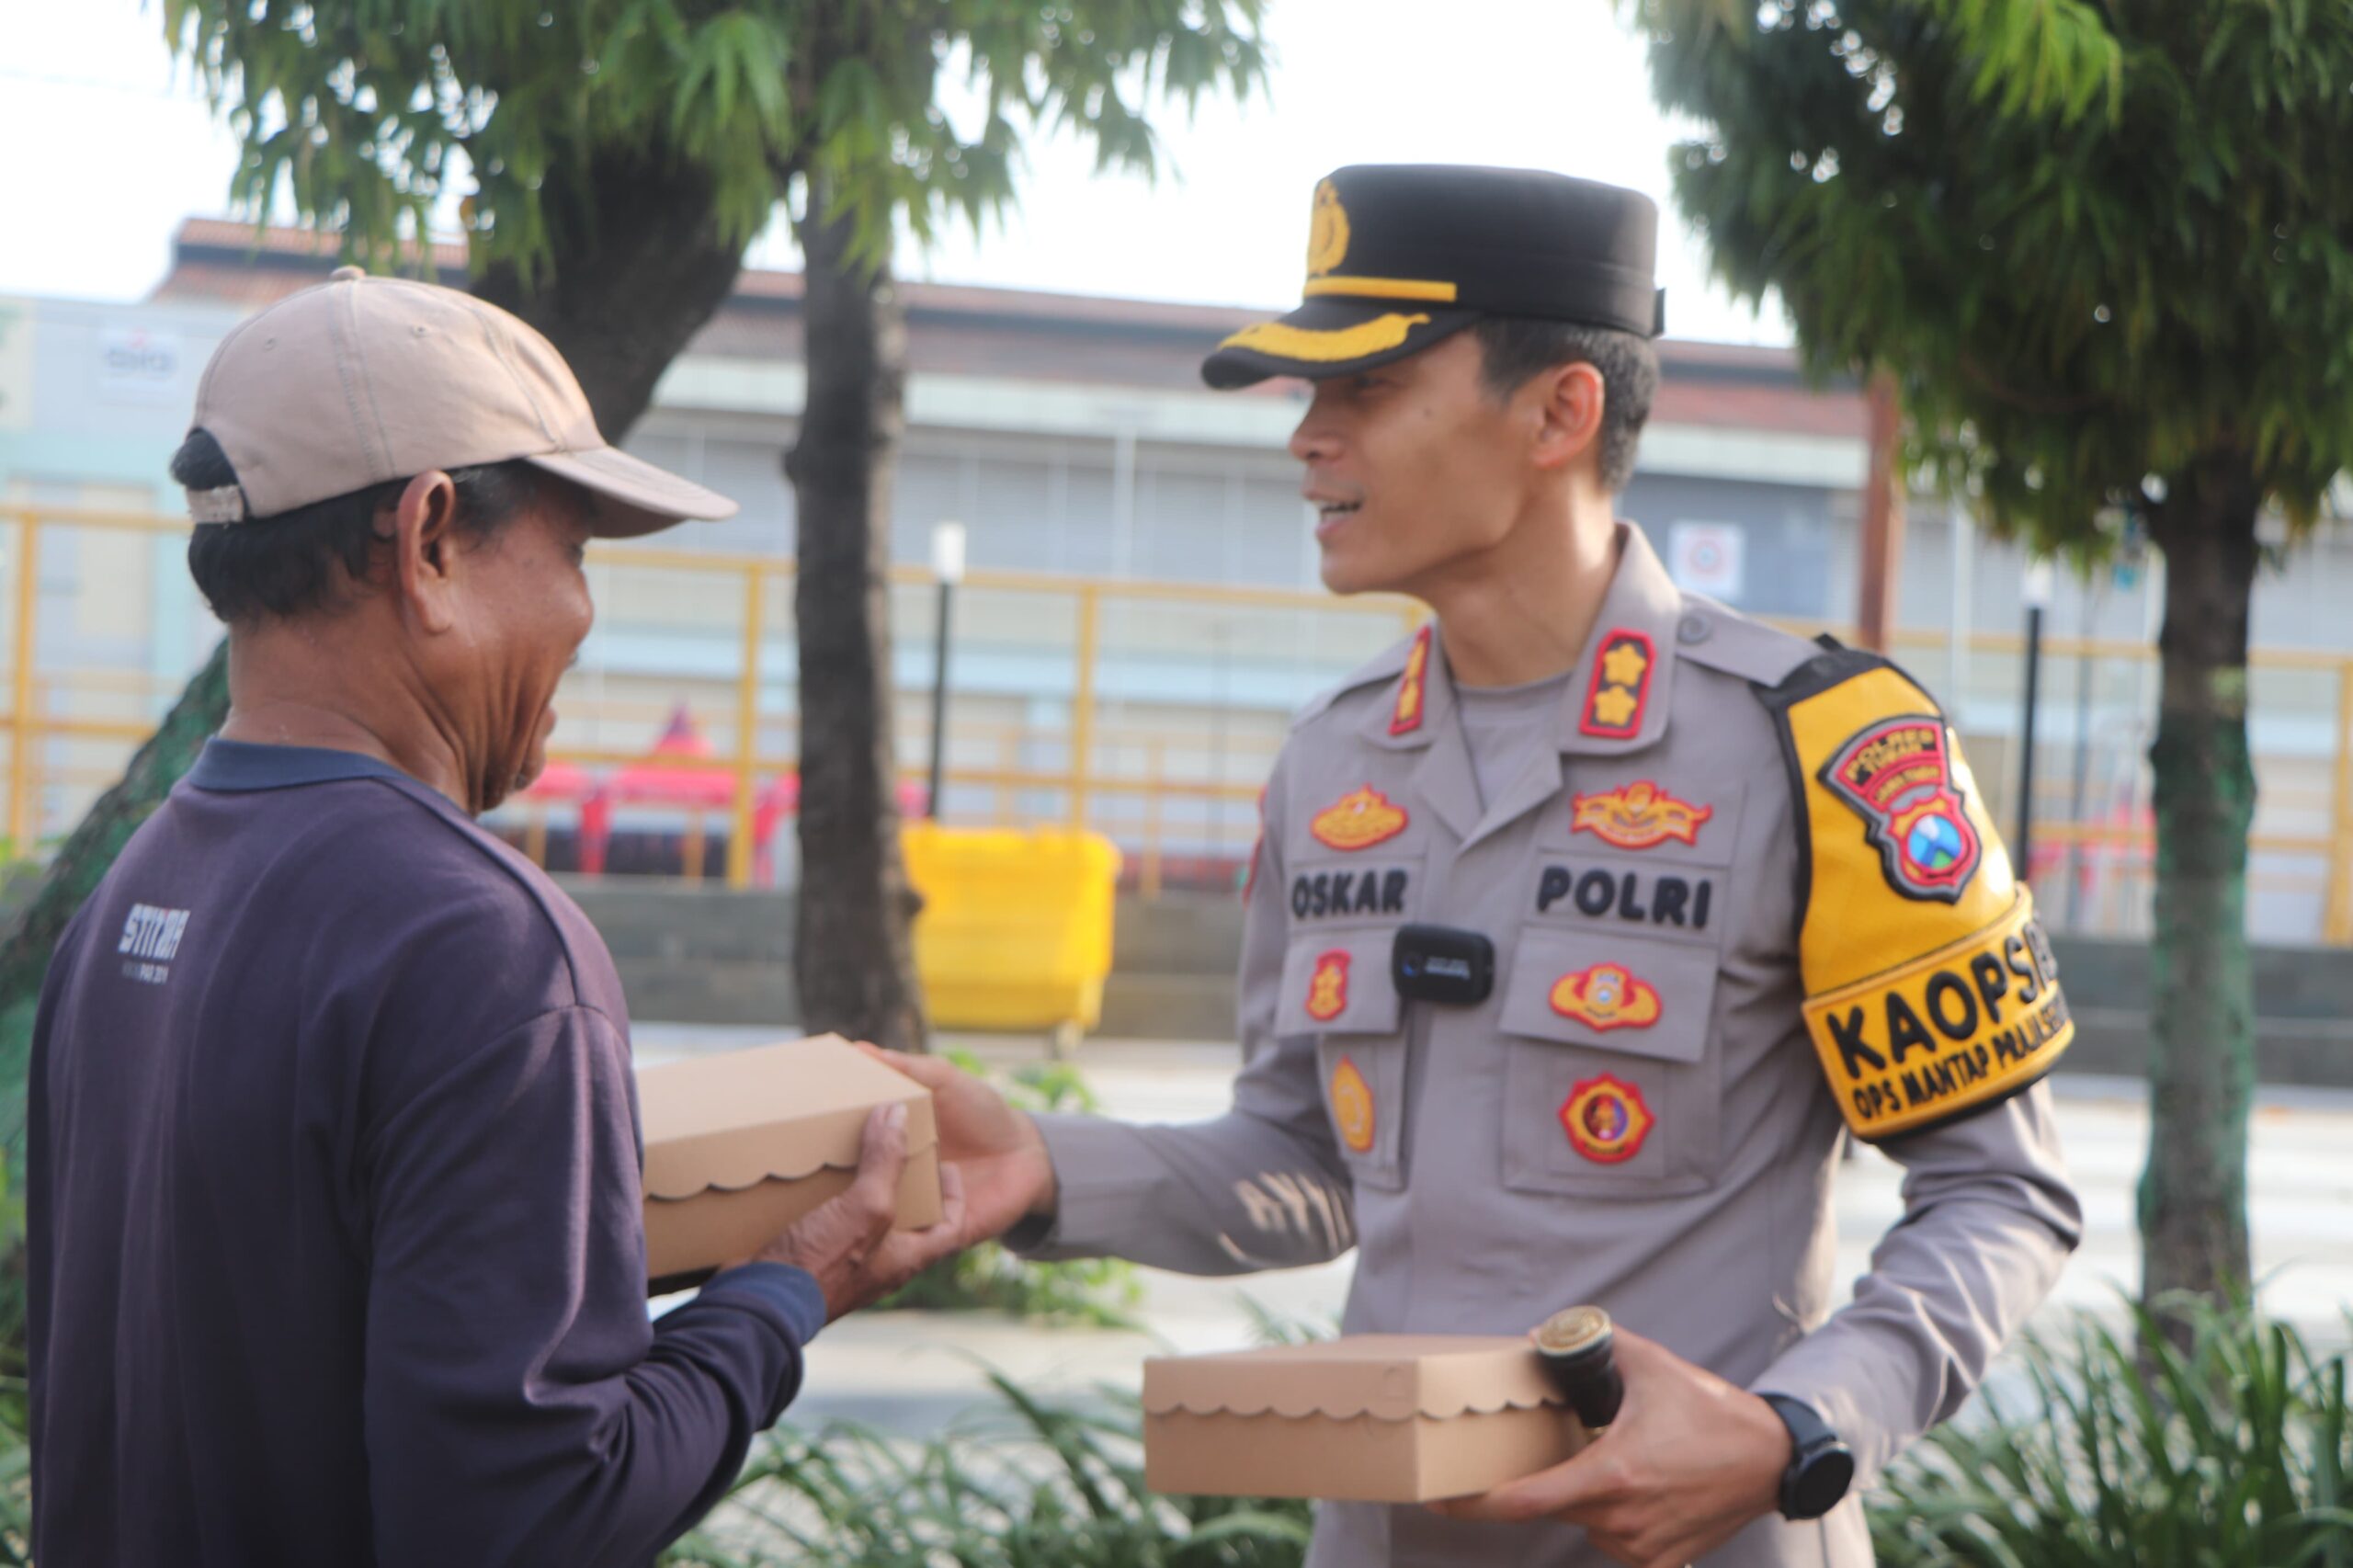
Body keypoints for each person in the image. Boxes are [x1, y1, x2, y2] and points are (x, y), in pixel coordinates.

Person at [880, 165, 2083, 1568]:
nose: (1307, 441)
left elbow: (2006, 1190)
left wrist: (1794, 1428)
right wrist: (1041, 1165)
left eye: (1367, 388)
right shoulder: (1332, 766)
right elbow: (1304, 1162)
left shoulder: (1823, 750)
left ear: (1560, 411)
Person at [26, 267, 967, 1568]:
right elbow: (527, 1516)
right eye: (574, 552)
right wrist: (785, 1294)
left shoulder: (129, 896)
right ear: (429, 544)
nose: (585, 614)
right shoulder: (479, 946)